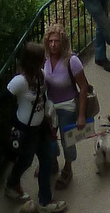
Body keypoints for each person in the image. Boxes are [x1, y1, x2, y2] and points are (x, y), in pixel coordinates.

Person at [0, 41, 66, 211]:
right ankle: (12, 185)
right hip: (26, 131)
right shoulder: (20, 81)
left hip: (40, 127)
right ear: (33, 60)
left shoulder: (40, 75)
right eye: (41, 58)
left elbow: (42, 99)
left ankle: (44, 201)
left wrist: (49, 123)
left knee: (46, 159)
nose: (44, 60)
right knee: (25, 161)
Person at [42, 23, 88, 191]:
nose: (53, 45)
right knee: (49, 137)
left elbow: (83, 87)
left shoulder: (72, 61)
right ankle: (53, 163)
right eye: (50, 41)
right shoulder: (45, 58)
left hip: (67, 106)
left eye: (57, 41)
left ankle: (68, 169)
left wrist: (81, 115)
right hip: (50, 106)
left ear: (63, 42)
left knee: (68, 140)